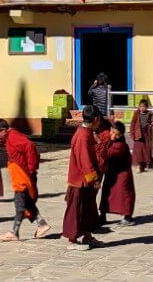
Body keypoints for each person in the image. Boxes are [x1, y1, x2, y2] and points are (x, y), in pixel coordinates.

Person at [0, 119, 52, 241]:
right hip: (19, 175)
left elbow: (29, 146)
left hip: (22, 176)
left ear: (3, 130)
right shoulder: (10, 137)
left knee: (20, 203)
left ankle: (14, 232)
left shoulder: (13, 136)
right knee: (27, 202)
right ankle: (42, 224)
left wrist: (31, 168)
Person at [62, 105, 104, 251]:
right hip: (79, 181)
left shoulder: (87, 133)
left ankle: (87, 236)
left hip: (85, 181)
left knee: (88, 209)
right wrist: (95, 179)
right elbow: (85, 161)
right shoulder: (82, 135)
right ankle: (72, 241)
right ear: (96, 119)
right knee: (76, 210)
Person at [99, 121, 136, 227]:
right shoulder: (110, 139)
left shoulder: (121, 145)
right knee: (106, 193)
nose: (114, 136)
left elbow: (108, 153)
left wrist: (98, 143)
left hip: (122, 174)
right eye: (112, 132)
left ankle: (128, 217)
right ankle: (102, 215)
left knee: (124, 195)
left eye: (117, 134)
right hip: (111, 172)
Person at [129, 98, 153, 173]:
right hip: (138, 134)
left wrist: (152, 123)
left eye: (144, 106)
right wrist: (132, 133)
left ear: (146, 107)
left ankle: (143, 166)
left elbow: (152, 121)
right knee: (138, 151)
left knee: (145, 151)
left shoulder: (149, 114)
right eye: (141, 106)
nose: (142, 108)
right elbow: (132, 124)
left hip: (146, 134)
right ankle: (138, 166)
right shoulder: (136, 114)